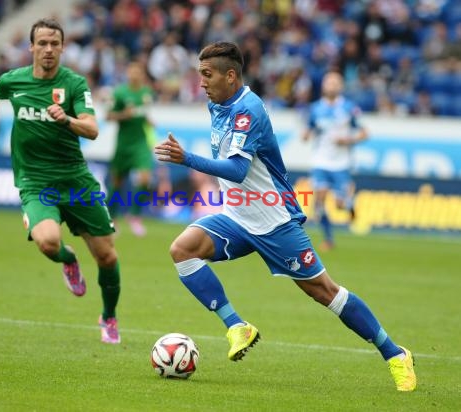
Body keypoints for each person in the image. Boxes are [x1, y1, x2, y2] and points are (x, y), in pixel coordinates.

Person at [154, 42, 416, 391]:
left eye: (207, 75)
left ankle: (395, 354)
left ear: (230, 76)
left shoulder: (249, 110)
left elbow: (236, 170)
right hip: (236, 217)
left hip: (273, 220)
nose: (201, 83)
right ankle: (236, 326)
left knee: (325, 292)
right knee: (182, 250)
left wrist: (188, 159)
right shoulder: (218, 103)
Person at [0, 18, 121, 344]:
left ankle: (108, 317)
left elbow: (92, 129)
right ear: (32, 47)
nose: (48, 49)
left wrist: (68, 120)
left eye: (54, 43)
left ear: (62, 47)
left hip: (76, 181)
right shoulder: (14, 80)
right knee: (48, 242)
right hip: (35, 181)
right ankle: (69, 259)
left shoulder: (74, 84)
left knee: (107, 256)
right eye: (43, 43)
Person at [301, 71, 368, 251]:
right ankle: (328, 239)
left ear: (341, 86)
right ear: (323, 86)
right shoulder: (315, 108)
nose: (331, 86)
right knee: (319, 200)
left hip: (341, 163)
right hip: (320, 161)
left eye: (335, 83)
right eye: (328, 82)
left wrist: (349, 140)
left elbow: (364, 132)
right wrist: (306, 134)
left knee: (339, 205)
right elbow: (308, 129)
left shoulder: (349, 107)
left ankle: (349, 205)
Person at [106, 61, 155, 236]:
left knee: (145, 178)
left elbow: (143, 112)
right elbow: (108, 116)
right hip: (123, 143)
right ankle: (111, 218)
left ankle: (134, 216)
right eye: (132, 72)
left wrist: (148, 120)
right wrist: (123, 115)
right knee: (117, 182)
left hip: (140, 143)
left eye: (138, 72)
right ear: (128, 74)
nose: (134, 75)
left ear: (142, 74)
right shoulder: (119, 93)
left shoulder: (146, 92)